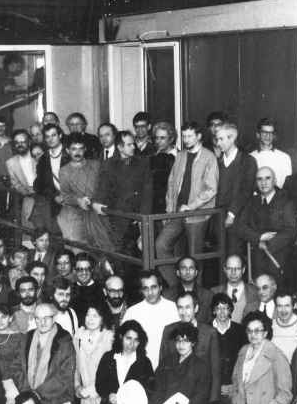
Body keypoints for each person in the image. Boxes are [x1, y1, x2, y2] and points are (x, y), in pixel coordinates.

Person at [155, 121, 218, 288]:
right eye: (184, 136)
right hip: (178, 211)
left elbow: (211, 189)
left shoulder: (209, 157)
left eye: (190, 136)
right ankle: (174, 287)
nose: (186, 139)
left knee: (195, 258)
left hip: (197, 214)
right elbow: (171, 183)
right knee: (161, 244)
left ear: (199, 136)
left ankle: (195, 293)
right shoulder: (180, 155)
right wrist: (169, 209)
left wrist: (192, 206)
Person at [92, 130, 153, 255]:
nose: (133, 147)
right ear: (120, 147)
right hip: (119, 214)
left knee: (142, 253)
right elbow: (103, 188)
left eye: (133, 143)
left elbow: (147, 191)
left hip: (139, 213)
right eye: (129, 145)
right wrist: (96, 203)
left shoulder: (143, 161)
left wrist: (143, 218)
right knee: (122, 252)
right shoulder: (108, 164)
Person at [12, 302, 76, 404]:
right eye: (38, 318)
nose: (43, 322)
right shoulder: (26, 339)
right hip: (28, 402)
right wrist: (27, 392)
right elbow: (16, 366)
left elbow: (65, 377)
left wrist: (38, 394)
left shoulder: (65, 342)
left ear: (54, 318)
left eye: (47, 317)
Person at [235, 167, 297, 280]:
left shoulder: (286, 202)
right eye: (259, 179)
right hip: (256, 260)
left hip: (279, 259)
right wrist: (259, 238)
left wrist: (268, 244)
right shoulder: (252, 202)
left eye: (267, 178)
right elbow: (241, 226)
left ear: (275, 181)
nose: (263, 183)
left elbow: (291, 231)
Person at [159, 293, 220, 402]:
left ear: (196, 308)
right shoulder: (169, 330)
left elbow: (215, 373)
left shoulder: (210, 333)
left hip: (200, 396)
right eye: (180, 307)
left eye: (188, 307)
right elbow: (162, 368)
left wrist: (213, 403)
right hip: (174, 396)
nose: (183, 312)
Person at [58, 133, 111, 249]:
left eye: (81, 149)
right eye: (74, 149)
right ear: (67, 150)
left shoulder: (96, 165)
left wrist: (96, 201)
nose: (78, 152)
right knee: (78, 247)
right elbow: (65, 196)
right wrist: (78, 200)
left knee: (105, 247)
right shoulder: (64, 171)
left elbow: (104, 186)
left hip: (98, 211)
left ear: (85, 149)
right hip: (77, 213)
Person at [74, 302, 115, 404]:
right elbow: (75, 367)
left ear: (103, 318)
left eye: (96, 316)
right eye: (88, 315)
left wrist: (90, 389)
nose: (90, 319)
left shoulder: (109, 337)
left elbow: (110, 371)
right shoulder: (78, 337)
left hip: (103, 397)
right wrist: (77, 387)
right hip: (85, 399)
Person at [213, 123, 257, 256]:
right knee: (219, 255)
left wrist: (231, 214)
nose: (218, 143)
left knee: (234, 254)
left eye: (221, 139)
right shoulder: (217, 162)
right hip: (218, 217)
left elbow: (246, 190)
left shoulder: (248, 161)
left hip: (238, 217)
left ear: (232, 138)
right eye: (217, 139)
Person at [121, 270, 179, 369]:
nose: (150, 293)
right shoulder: (133, 312)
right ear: (141, 290)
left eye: (153, 287)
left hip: (168, 366)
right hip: (140, 367)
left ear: (160, 287)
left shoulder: (173, 308)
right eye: (145, 289)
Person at [33, 122, 69, 234]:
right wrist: (55, 196)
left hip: (73, 202)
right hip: (54, 204)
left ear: (60, 135)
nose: (50, 139)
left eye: (53, 135)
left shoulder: (69, 154)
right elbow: (40, 185)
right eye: (47, 136)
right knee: (56, 234)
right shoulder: (44, 158)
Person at [203, 254, 259, 324]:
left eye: (237, 268)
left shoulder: (255, 292)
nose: (233, 272)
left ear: (243, 269)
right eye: (229, 268)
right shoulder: (214, 292)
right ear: (225, 269)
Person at [210, 293, 246, 398]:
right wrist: (216, 385)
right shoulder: (206, 330)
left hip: (234, 387)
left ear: (230, 310)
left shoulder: (240, 330)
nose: (222, 312)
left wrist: (235, 385)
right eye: (218, 308)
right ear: (214, 310)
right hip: (212, 387)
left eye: (225, 308)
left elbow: (244, 361)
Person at [249, 117, 292, 190]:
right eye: (264, 132)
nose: (268, 136)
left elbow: (286, 187)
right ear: (258, 134)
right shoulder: (250, 157)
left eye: (271, 133)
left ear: (274, 135)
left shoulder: (284, 157)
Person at [169, 255, 213, 321]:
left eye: (191, 268)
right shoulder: (167, 295)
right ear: (178, 272)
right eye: (184, 268)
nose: (188, 271)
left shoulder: (208, 296)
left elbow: (209, 323)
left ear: (196, 272)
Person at [269, 292, 297, 364]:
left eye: (287, 305)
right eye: (280, 306)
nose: (283, 310)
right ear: (276, 307)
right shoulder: (270, 325)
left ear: (294, 306)